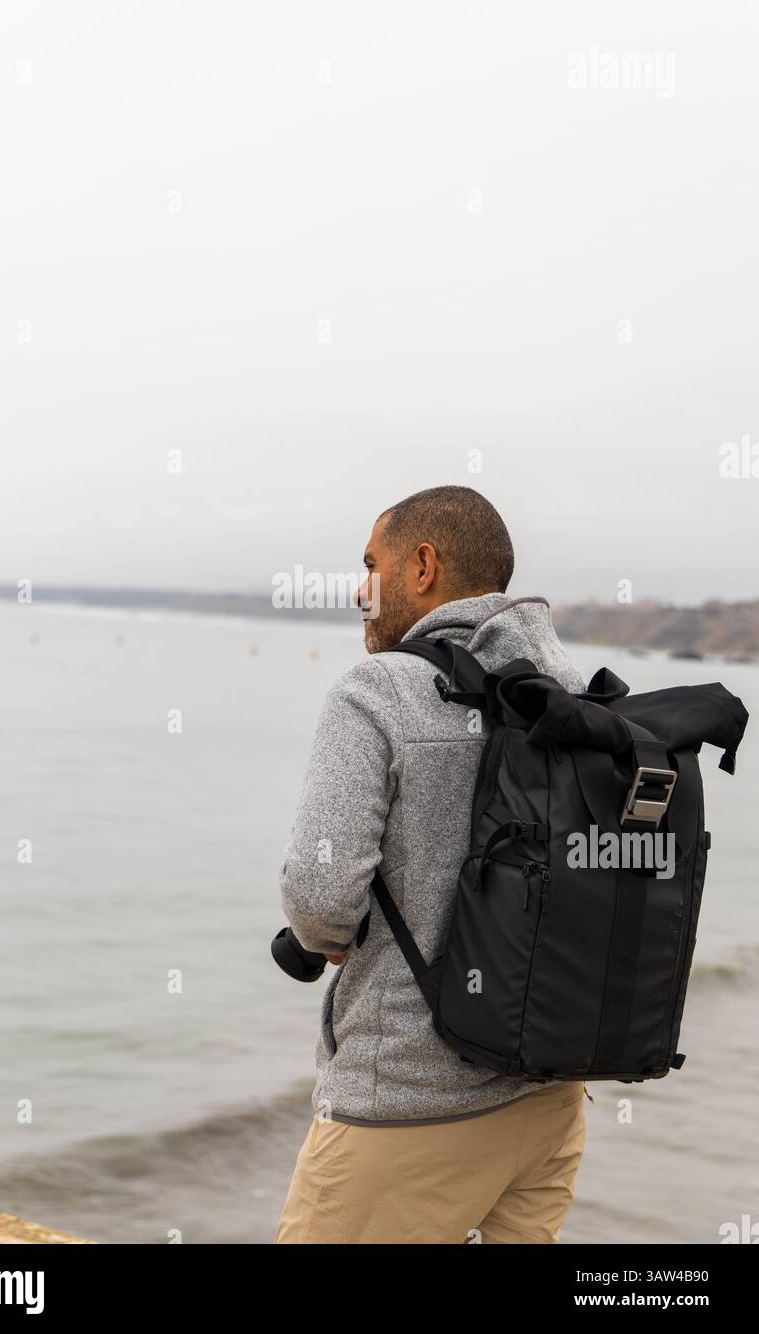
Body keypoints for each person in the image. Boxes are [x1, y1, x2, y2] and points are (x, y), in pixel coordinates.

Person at [273, 485, 589, 1244]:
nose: (358, 590)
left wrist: (323, 934)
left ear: (422, 566)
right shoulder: (573, 695)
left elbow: (321, 897)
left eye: (370, 565)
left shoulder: (377, 694)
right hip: (550, 1104)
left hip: (406, 1110)